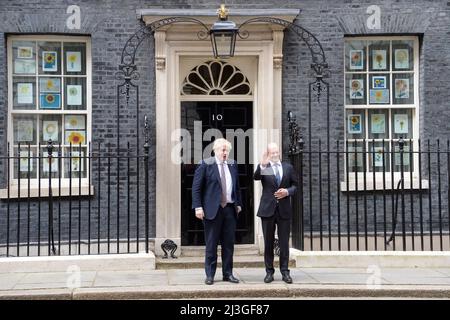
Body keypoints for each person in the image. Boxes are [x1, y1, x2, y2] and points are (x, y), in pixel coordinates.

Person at [192, 138, 243, 285]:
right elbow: (196, 188)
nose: (225, 152)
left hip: (229, 210)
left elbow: (237, 186)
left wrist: (238, 203)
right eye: (222, 150)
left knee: (228, 244)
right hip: (211, 211)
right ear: (215, 150)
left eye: (227, 150)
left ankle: (228, 274)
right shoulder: (205, 164)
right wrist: (198, 207)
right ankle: (210, 275)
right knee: (211, 243)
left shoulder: (233, 164)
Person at [254, 142, 298, 284]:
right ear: (268, 154)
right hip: (268, 210)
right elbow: (256, 177)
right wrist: (261, 164)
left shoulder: (288, 167)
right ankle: (269, 272)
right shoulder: (265, 168)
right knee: (268, 242)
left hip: (284, 210)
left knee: (284, 242)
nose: (274, 154)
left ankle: (285, 272)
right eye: (272, 152)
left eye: (276, 152)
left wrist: (287, 191)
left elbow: (296, 186)